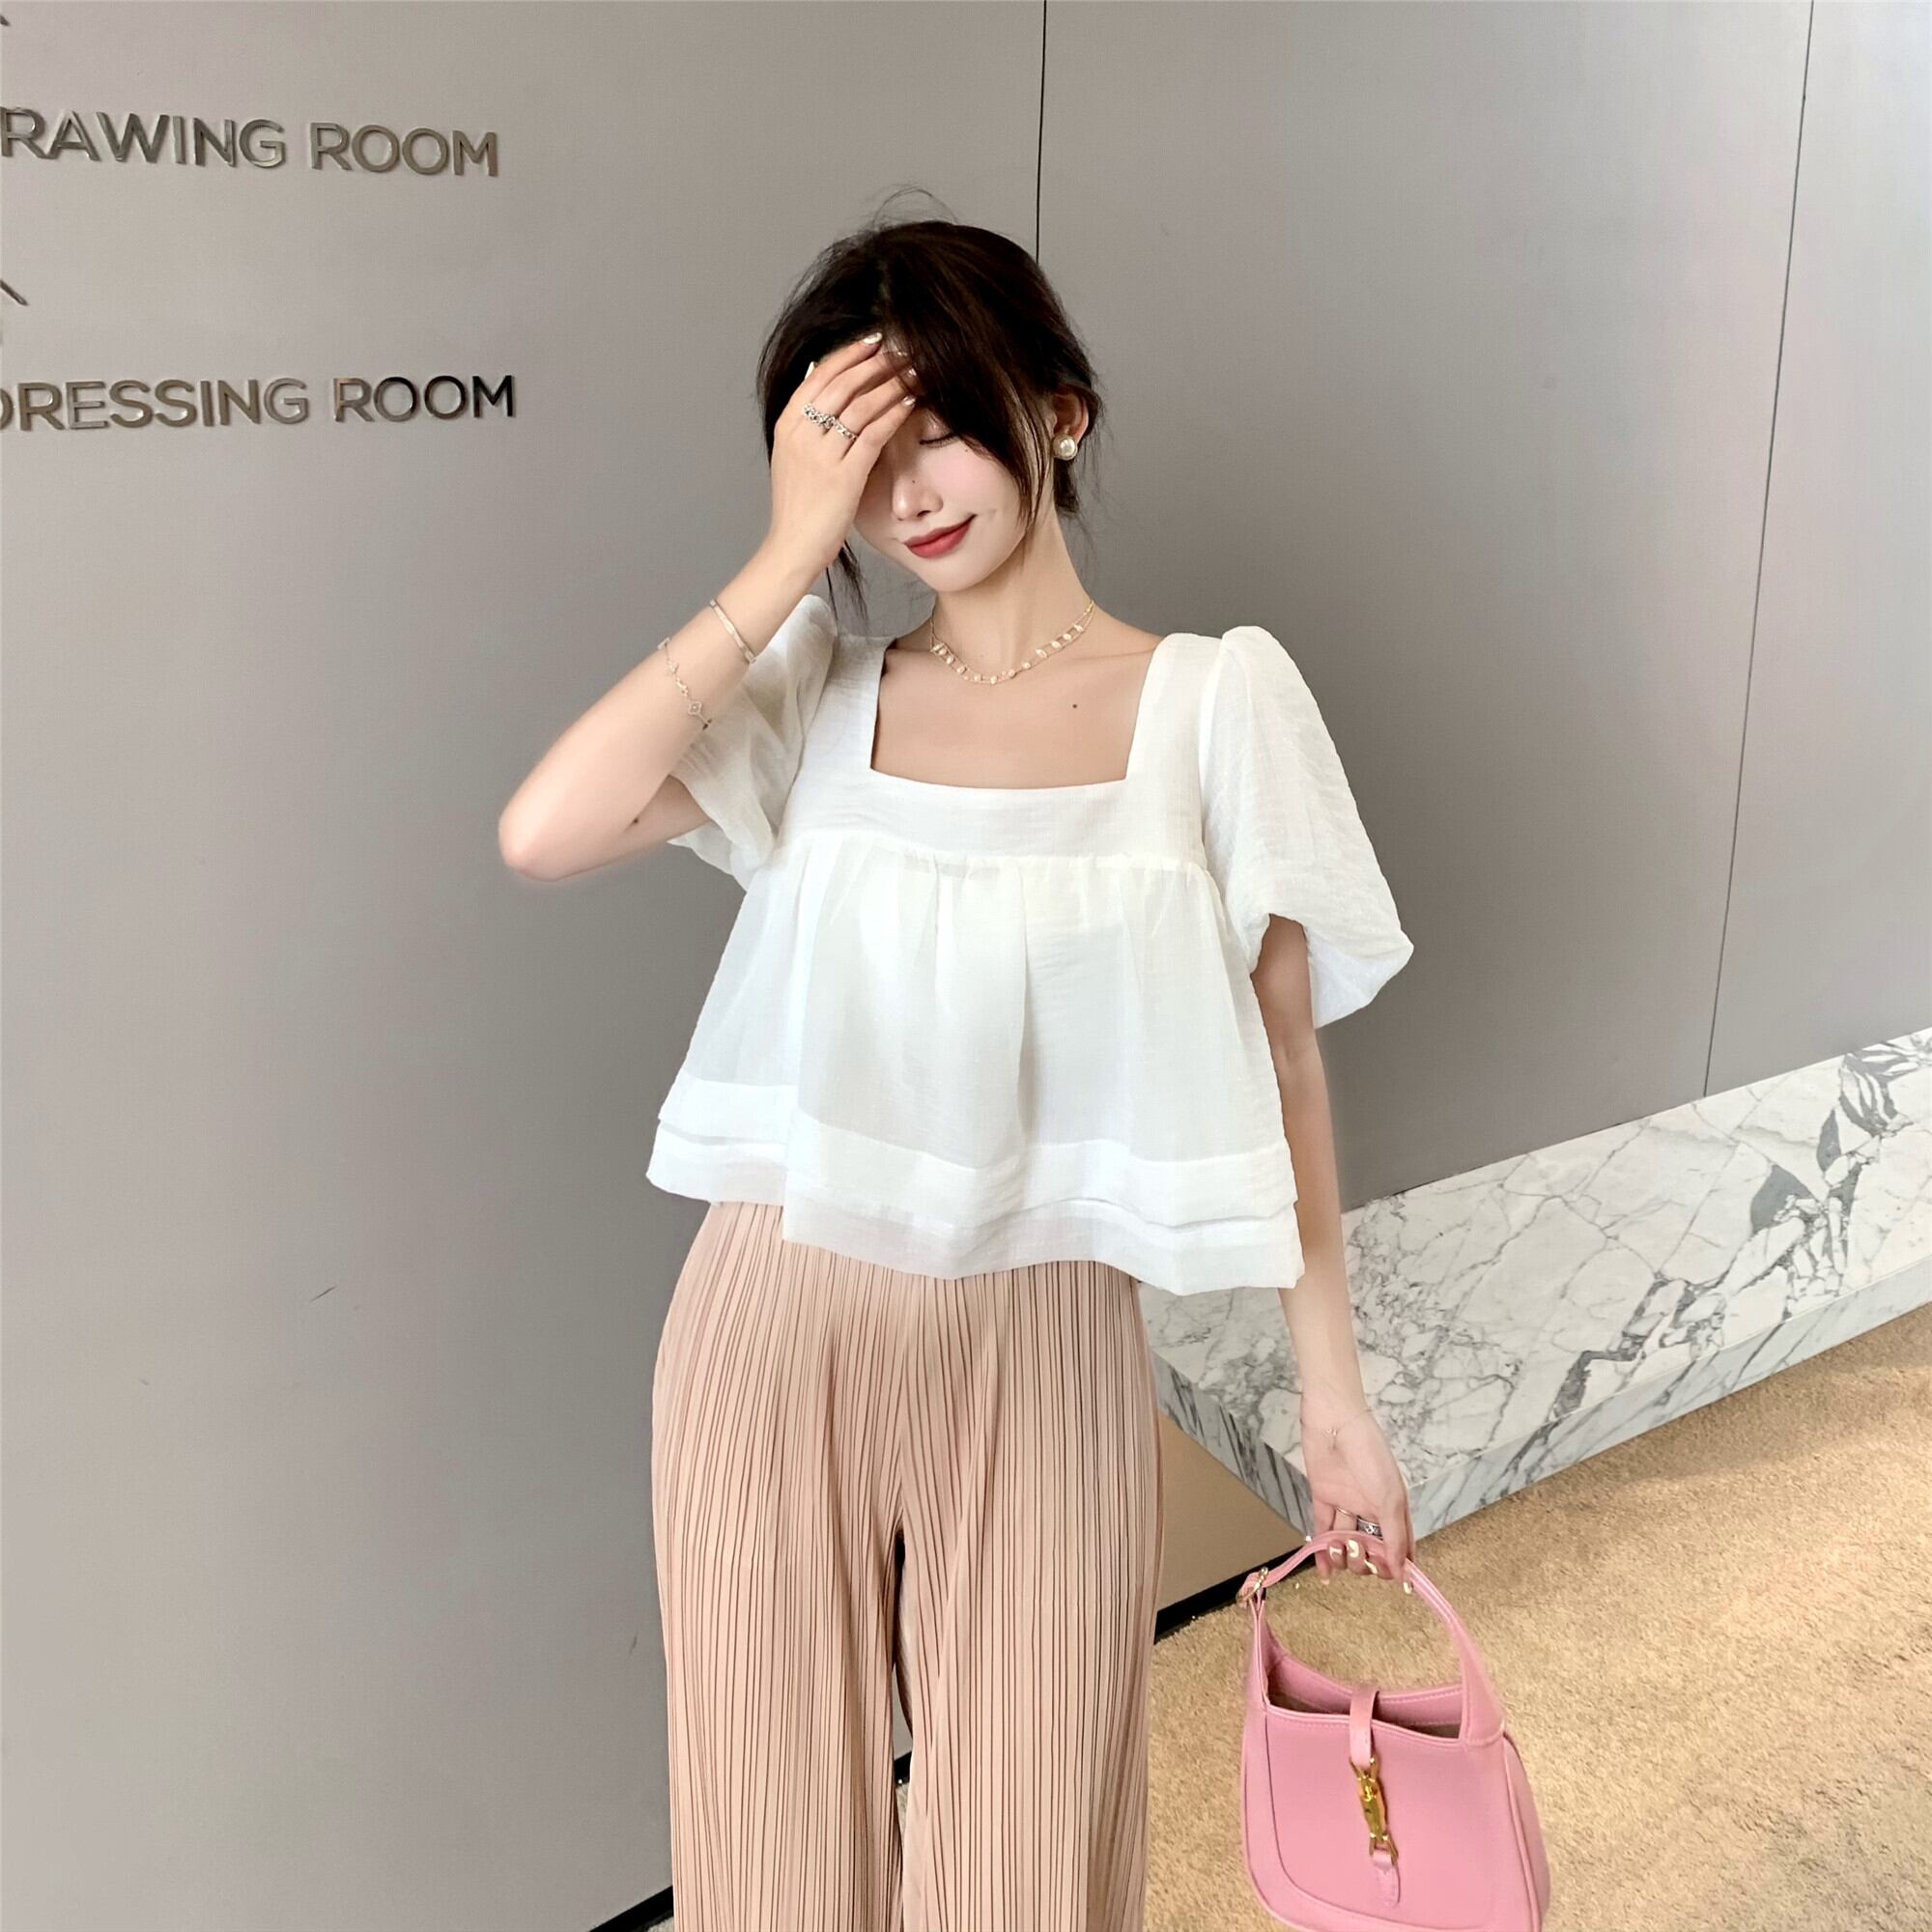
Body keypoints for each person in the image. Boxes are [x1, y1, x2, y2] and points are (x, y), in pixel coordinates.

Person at [497, 210, 1416, 1932]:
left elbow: (1286, 1060)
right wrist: (785, 556)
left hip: (1045, 1336)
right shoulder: (816, 690)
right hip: (770, 1322)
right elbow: (546, 830)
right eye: (860, 456)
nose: (908, 491)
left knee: (1028, 1862)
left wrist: (1334, 1402)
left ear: (1055, 411)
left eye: (939, 427)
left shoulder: (1216, 704)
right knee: (770, 1850)